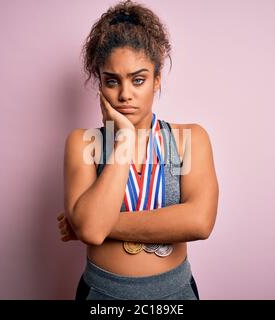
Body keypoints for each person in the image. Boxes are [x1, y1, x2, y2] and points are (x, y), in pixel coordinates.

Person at [58, 0, 219, 300]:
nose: (124, 95)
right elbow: (92, 232)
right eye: (112, 81)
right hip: (102, 296)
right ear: (99, 83)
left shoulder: (190, 139)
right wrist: (124, 141)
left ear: (157, 80)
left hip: (175, 295)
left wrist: (96, 223)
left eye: (139, 79)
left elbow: (199, 221)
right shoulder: (82, 143)